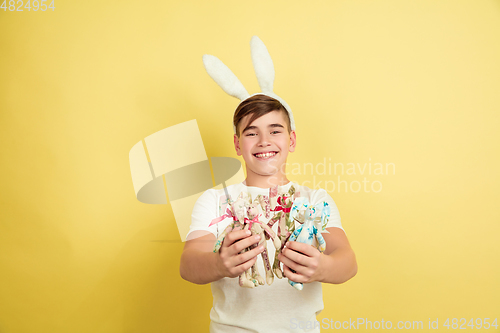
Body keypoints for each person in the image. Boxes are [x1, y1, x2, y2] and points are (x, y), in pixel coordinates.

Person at [180, 94, 357, 333]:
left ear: (291, 140)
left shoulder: (315, 200)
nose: (264, 141)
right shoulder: (214, 200)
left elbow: (347, 261)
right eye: (251, 133)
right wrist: (218, 264)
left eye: (275, 131)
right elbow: (188, 264)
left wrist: (323, 267)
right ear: (237, 144)